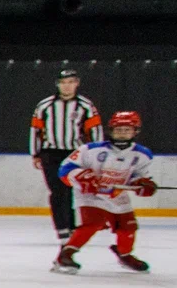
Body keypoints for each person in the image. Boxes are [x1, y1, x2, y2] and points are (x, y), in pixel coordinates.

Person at [52, 111, 155, 274]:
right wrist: (81, 176)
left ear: (135, 131)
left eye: (127, 130)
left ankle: (125, 254)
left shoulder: (143, 154)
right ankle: (65, 255)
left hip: (117, 195)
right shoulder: (90, 149)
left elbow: (139, 178)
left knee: (128, 228)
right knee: (93, 223)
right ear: (111, 130)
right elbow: (65, 169)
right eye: (118, 129)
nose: (122, 133)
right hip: (90, 194)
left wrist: (142, 185)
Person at [30, 70, 103, 243]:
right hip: (51, 153)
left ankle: (70, 227)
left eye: (71, 82)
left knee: (70, 192)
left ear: (77, 83)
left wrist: (96, 156)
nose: (67, 86)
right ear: (58, 84)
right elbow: (36, 130)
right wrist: (35, 153)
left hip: (75, 154)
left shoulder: (86, 105)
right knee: (57, 192)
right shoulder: (45, 105)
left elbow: (96, 132)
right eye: (63, 82)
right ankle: (62, 229)